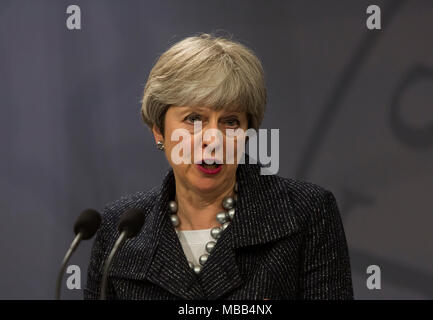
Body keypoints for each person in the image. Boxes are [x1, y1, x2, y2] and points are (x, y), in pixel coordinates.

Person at [84, 33, 353, 300]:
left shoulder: (306, 213)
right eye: (194, 118)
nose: (213, 138)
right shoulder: (119, 231)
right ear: (159, 131)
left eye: (231, 122)